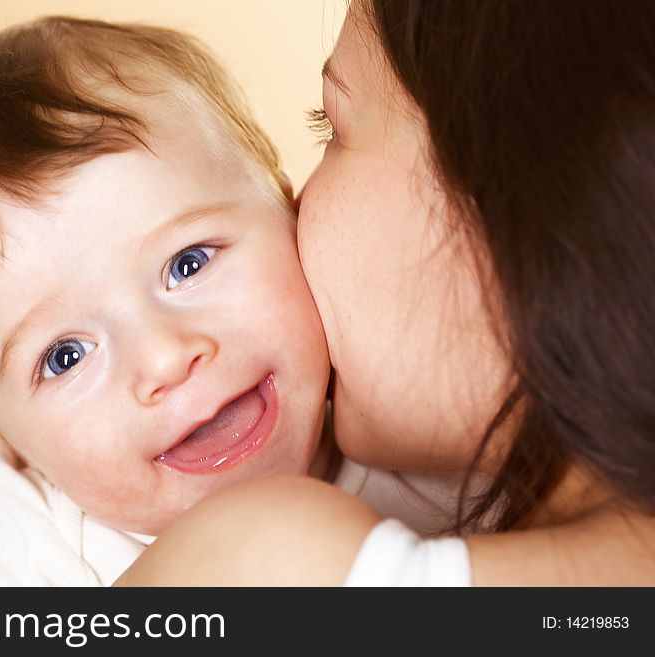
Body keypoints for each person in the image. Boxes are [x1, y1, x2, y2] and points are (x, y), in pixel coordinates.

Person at [116, 0, 655, 586]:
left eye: (334, 129)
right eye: (64, 357)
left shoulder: (279, 570)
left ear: (521, 205)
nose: (292, 209)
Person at [0, 16, 380, 586]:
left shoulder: (411, 404)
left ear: (285, 206)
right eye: (66, 356)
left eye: (189, 264)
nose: (164, 358)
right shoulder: (23, 562)